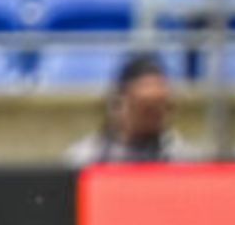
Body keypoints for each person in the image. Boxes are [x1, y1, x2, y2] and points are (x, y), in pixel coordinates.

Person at [62, 51, 195, 166]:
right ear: (118, 104)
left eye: (162, 106)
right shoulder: (85, 158)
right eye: (145, 108)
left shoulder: (185, 160)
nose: (154, 117)